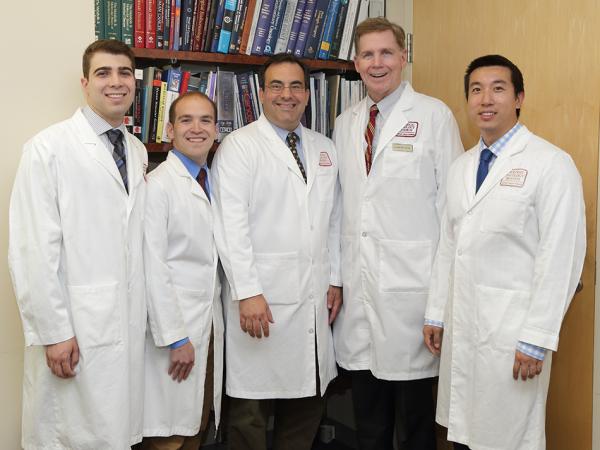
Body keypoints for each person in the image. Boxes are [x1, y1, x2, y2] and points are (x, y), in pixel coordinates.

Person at [423, 54, 586, 450]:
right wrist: (435, 312)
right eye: (476, 90)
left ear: (519, 98)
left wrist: (536, 338)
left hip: (514, 333)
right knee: (463, 433)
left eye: (498, 88)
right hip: (463, 324)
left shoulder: (551, 164)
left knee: (510, 436)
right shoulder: (461, 167)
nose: (485, 99)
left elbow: (561, 256)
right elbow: (449, 246)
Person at [8, 40, 147, 449]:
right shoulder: (48, 148)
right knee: (67, 436)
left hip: (120, 322)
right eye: (104, 73)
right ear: (85, 83)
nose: (116, 82)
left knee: (112, 433)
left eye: (124, 73)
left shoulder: (135, 150)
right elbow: (33, 248)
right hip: (73, 328)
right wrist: (53, 332)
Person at [332, 17, 463, 450]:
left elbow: (453, 213)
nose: (377, 63)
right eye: (367, 54)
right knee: (368, 422)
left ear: (404, 57)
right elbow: (342, 211)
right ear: (355, 62)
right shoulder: (346, 121)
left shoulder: (433, 116)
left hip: (414, 298)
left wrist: (440, 305)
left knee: (416, 426)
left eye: (386, 52)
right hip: (361, 291)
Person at [211, 53, 342, 450]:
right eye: (277, 86)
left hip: (312, 298)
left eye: (296, 86)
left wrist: (335, 278)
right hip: (260, 300)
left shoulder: (323, 148)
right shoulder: (239, 147)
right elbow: (230, 225)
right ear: (262, 93)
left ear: (307, 94)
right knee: (250, 412)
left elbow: (334, 220)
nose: (287, 95)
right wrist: (248, 291)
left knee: (305, 406)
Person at [140, 92, 224, 449]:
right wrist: (175, 337)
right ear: (170, 130)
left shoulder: (214, 181)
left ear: (216, 130)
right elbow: (153, 267)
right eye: (186, 121)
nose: (197, 128)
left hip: (207, 325)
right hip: (174, 334)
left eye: (205, 120)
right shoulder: (157, 186)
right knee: (168, 433)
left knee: (196, 424)